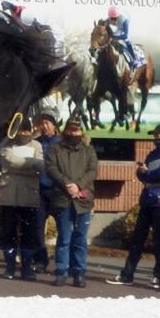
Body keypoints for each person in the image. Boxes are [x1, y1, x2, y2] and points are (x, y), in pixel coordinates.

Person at [108, 122, 160, 286]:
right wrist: (144, 172)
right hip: (147, 198)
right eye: (154, 136)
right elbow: (142, 174)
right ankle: (127, 274)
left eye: (158, 135)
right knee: (137, 239)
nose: (155, 138)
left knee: (159, 239)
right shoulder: (153, 153)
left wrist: (147, 173)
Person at [45, 118, 98, 287]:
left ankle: (79, 273)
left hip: (83, 199)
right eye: (71, 130)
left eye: (77, 130)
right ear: (65, 131)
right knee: (64, 238)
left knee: (81, 239)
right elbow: (51, 168)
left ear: (81, 132)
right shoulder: (55, 149)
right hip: (63, 198)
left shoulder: (88, 150)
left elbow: (93, 170)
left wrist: (78, 185)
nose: (73, 133)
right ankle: (61, 271)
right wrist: (68, 184)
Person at [0, 117, 44, 280]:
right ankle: (10, 267)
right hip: (8, 196)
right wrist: (30, 165)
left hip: (29, 195)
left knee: (29, 234)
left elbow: (42, 166)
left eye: (27, 130)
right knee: (9, 233)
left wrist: (20, 166)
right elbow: (8, 160)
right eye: (21, 130)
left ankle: (27, 267)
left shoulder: (37, 145)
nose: (24, 133)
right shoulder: (7, 144)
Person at [33, 112, 60, 273]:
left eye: (47, 123)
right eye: (41, 124)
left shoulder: (61, 143)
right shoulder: (35, 144)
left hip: (57, 191)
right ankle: (40, 261)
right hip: (39, 191)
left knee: (63, 228)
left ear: (54, 125)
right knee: (37, 228)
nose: (44, 127)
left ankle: (62, 263)